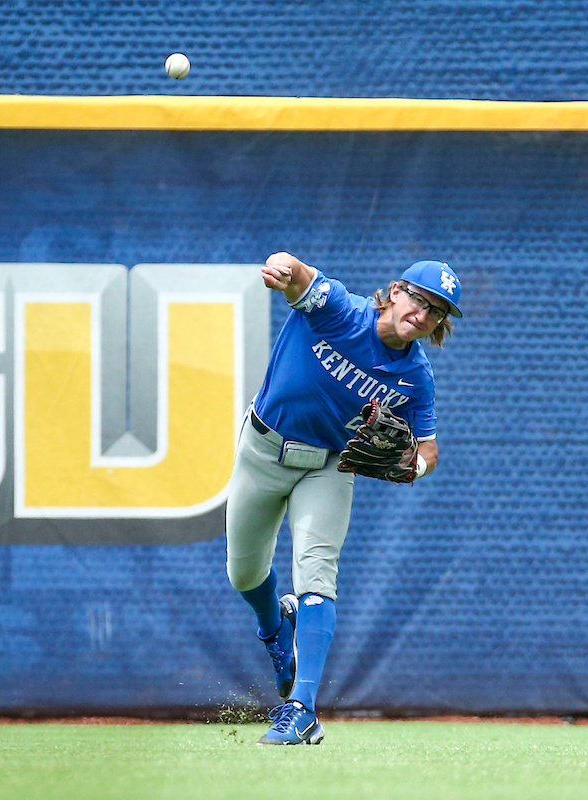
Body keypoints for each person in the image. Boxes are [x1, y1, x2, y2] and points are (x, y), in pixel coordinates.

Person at [225, 251, 462, 745]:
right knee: (243, 573)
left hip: (330, 466)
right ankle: (275, 628)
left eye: (436, 310)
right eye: (419, 299)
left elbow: (429, 448)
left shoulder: (415, 377)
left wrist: (413, 465)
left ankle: (303, 708)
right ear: (395, 291)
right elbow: (299, 274)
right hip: (263, 448)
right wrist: (282, 268)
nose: (423, 314)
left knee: (317, 573)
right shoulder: (340, 309)